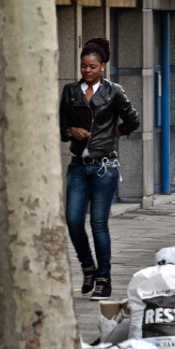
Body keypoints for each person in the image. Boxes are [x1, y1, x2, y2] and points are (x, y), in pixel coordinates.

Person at [60, 37, 141, 301]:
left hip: (104, 165)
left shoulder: (114, 91)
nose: (87, 71)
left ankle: (104, 279)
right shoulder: (71, 92)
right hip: (77, 167)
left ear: (102, 67)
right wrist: (70, 130)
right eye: (83, 66)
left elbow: (133, 119)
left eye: (92, 66)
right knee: (72, 220)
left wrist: (112, 134)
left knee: (98, 223)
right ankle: (88, 268)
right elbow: (60, 125)